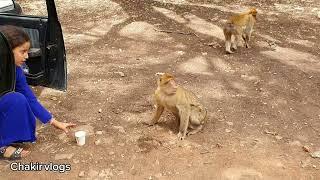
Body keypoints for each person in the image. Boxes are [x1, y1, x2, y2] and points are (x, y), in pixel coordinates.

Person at [0, 25, 76, 160]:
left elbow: (30, 99)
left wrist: (55, 122)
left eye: (27, 51)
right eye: (22, 51)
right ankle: (1, 147)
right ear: (6, 50)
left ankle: (7, 137)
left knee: (18, 99)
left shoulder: (15, 70)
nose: (27, 56)